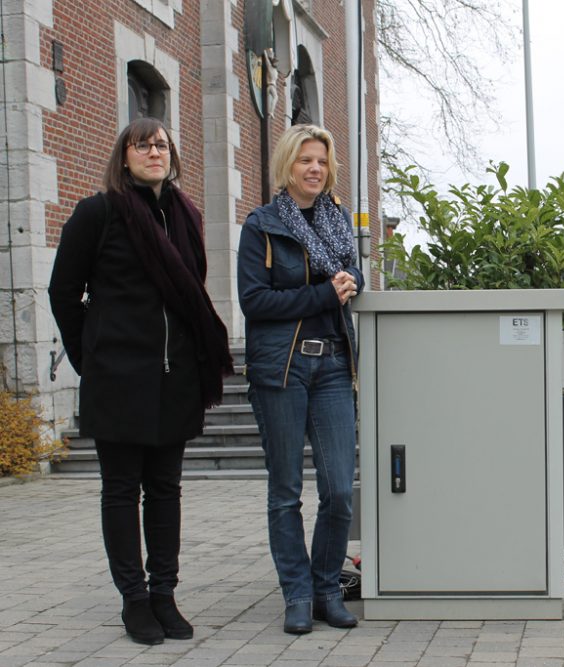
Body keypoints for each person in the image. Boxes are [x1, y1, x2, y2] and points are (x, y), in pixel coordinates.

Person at [49, 118, 233, 645]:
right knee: (121, 490)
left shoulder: (185, 214)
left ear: (171, 155)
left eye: (161, 144)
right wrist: (93, 355)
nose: (154, 151)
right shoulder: (98, 213)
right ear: (123, 155)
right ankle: (134, 600)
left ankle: (164, 594)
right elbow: (63, 292)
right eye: (142, 144)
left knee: (166, 490)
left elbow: (189, 291)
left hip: (174, 377)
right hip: (118, 378)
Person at [237, 124, 362, 634]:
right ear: (286, 166)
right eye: (304, 160)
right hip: (281, 370)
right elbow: (254, 301)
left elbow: (344, 288)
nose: (314, 169)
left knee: (338, 489)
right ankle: (296, 593)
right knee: (286, 490)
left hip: (332, 364)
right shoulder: (262, 224)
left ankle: (327, 589)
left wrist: (347, 287)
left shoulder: (338, 223)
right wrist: (323, 295)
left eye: (321, 161)